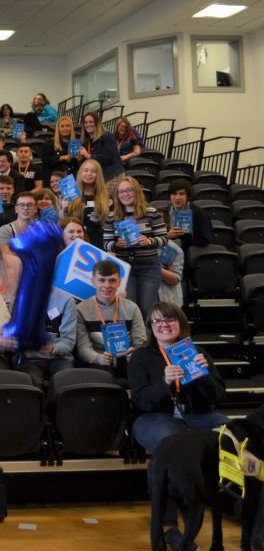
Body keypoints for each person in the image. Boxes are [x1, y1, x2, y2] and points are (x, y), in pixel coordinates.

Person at [129, 302, 227, 454]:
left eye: (170, 319)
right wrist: (165, 383)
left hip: (198, 415)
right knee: (178, 444)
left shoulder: (198, 353)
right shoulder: (140, 356)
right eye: (157, 321)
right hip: (156, 417)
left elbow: (218, 397)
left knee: (233, 435)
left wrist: (202, 375)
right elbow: (141, 401)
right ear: (150, 326)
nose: (164, 324)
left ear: (180, 322)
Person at [103, 175, 167, 319]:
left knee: (147, 308)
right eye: (121, 192)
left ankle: (146, 340)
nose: (125, 194)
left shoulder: (151, 213)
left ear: (136, 191)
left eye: (129, 190)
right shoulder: (112, 217)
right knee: (129, 307)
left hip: (149, 267)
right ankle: (133, 340)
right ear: (117, 195)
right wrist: (117, 245)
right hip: (124, 268)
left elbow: (163, 239)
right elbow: (107, 244)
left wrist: (149, 241)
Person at [74, 260, 147, 379]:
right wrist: (98, 358)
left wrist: (135, 355)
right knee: (103, 376)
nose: (107, 286)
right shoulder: (81, 310)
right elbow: (83, 348)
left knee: (142, 369)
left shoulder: (132, 308)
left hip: (126, 360)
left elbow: (140, 343)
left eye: (112, 280)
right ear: (93, 282)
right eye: (101, 280)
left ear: (119, 282)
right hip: (98, 360)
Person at [77, 111, 124, 184]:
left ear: (97, 123)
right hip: (100, 178)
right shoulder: (87, 141)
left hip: (112, 177)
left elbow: (109, 157)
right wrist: (80, 158)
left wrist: (88, 155)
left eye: (91, 122)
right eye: (85, 122)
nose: (88, 124)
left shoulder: (107, 136)